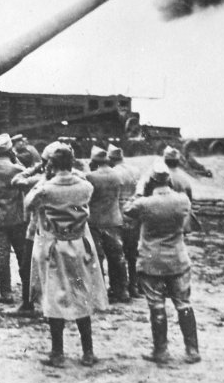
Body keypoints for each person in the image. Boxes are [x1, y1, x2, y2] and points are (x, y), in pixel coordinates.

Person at [25, 143, 107, 367]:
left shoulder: (46, 189)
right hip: (79, 245)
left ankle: (58, 353)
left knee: (55, 297)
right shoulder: (85, 187)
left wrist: (43, 178)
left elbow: (29, 203)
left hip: (55, 248)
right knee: (81, 293)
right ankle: (88, 352)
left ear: (51, 164)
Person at [124, 160, 200, 364]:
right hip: (178, 259)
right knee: (183, 304)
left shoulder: (144, 203)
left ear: (151, 181)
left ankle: (161, 351)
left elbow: (128, 210)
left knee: (156, 305)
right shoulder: (183, 200)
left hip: (152, 261)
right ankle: (192, 350)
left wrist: (140, 190)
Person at [0, 133, 30, 305]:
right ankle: (28, 289)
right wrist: (15, 157)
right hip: (16, 217)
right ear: (10, 149)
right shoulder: (17, 169)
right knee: (21, 254)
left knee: (2, 255)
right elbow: (25, 173)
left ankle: (6, 292)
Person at [86, 146, 129, 303]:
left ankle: (99, 290)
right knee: (117, 256)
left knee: (97, 257)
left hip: (95, 221)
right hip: (114, 219)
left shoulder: (90, 177)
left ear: (94, 161)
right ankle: (122, 290)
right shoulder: (117, 175)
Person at [108, 144, 142, 298]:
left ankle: (120, 288)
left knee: (117, 253)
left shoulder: (113, 173)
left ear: (110, 159)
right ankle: (134, 286)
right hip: (133, 213)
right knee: (132, 253)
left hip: (118, 214)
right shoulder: (135, 170)